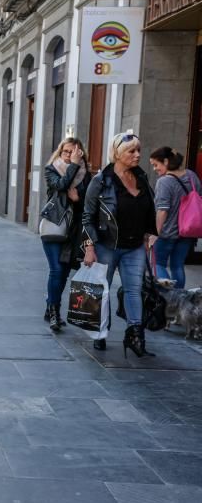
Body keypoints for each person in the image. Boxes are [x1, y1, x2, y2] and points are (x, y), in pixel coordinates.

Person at [83, 132, 157, 356]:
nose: (137, 155)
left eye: (138, 150)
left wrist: (148, 235)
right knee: (102, 290)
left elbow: (148, 209)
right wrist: (89, 247)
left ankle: (135, 336)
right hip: (106, 245)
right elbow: (87, 216)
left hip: (134, 246)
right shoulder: (100, 181)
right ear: (117, 153)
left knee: (134, 290)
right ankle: (100, 332)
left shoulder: (141, 178)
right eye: (131, 151)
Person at [41, 138, 90, 332]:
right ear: (60, 153)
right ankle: (55, 312)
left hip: (74, 231)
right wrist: (74, 166)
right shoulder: (51, 169)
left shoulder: (87, 175)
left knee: (63, 272)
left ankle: (50, 306)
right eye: (66, 152)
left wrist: (78, 200)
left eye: (74, 152)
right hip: (54, 226)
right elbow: (61, 185)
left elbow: (89, 202)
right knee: (56, 270)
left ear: (81, 153)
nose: (69, 156)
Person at [149, 146, 202, 289]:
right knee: (177, 266)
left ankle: (167, 300)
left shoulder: (164, 181)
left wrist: (155, 233)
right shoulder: (192, 176)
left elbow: (162, 211)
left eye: (156, 165)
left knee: (158, 264)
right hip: (187, 231)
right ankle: (180, 300)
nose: (155, 169)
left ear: (166, 161)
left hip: (166, 233)